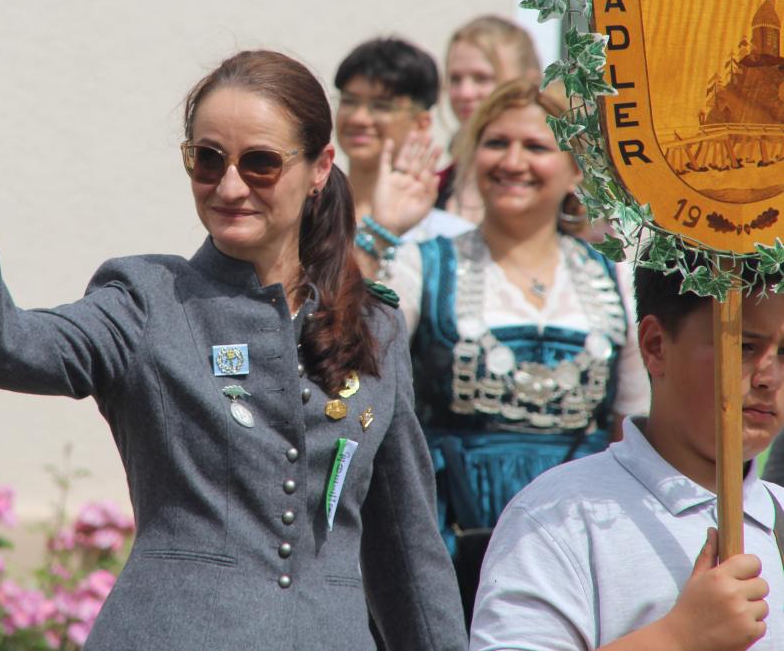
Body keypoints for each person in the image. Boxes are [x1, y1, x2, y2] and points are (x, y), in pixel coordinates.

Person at [0, 19, 468, 651]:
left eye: (261, 163)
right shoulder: (145, 300)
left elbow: (407, 551)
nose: (230, 186)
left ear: (320, 166)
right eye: (207, 160)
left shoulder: (373, 324)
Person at [363, 80, 650, 621]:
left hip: (582, 539)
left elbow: (634, 424)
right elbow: (351, 357)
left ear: (575, 170)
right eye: (496, 143)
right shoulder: (423, 264)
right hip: (450, 540)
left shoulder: (612, 278)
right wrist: (379, 230)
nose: (512, 161)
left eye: (536, 147)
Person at [470, 258, 784, 651]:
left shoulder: (778, 512)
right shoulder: (559, 515)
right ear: (655, 346)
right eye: (744, 346)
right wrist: (677, 638)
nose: (768, 377)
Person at [331, 37, 472, 278]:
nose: (358, 118)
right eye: (349, 101)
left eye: (381, 106)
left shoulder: (449, 237)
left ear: (421, 123)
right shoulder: (309, 216)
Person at [432, 15, 541, 221]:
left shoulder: (550, 184)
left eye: (482, 78)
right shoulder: (434, 186)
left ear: (529, 82)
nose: (465, 93)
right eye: (455, 79)